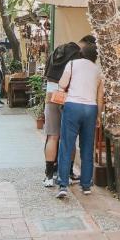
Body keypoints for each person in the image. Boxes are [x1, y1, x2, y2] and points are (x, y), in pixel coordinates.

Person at [56, 42, 103, 198]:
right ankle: (86, 185)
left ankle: (63, 184)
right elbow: (100, 97)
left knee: (66, 146)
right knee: (87, 147)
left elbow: (62, 84)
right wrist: (98, 115)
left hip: (73, 106)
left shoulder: (72, 63)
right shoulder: (98, 70)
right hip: (90, 108)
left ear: (81, 53)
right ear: (95, 57)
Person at [42, 41, 81, 188]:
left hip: (51, 95)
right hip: (69, 96)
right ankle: (68, 173)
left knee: (52, 136)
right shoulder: (77, 57)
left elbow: (46, 76)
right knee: (68, 137)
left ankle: (49, 175)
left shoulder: (53, 56)